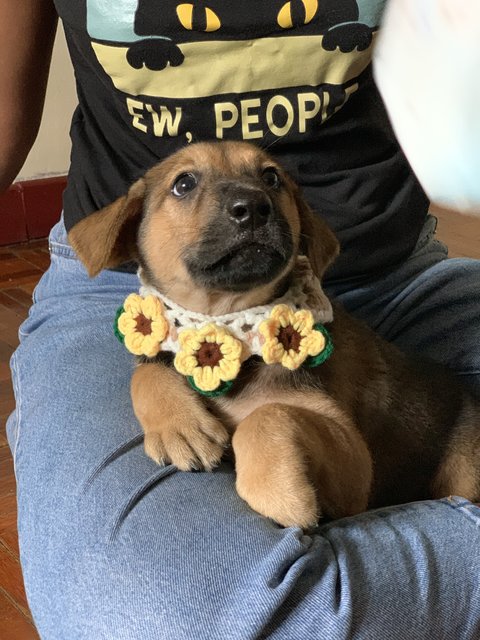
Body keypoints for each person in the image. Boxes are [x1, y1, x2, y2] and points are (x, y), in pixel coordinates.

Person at [2, 1, 479, 638]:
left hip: (393, 267)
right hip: (125, 297)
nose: (245, 203)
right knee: (143, 619)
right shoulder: (128, 251)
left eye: (268, 184)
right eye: (186, 185)